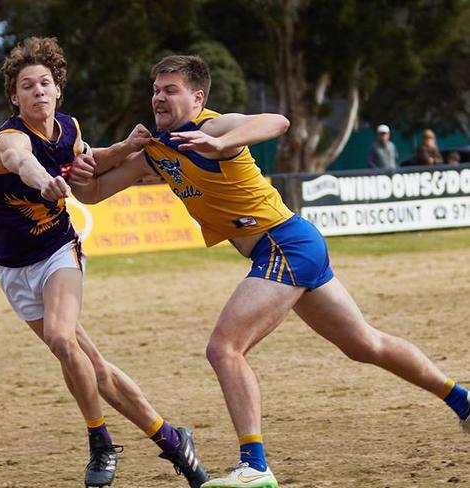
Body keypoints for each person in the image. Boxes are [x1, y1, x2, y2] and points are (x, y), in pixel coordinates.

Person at [68, 54, 470, 488]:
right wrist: (112, 155)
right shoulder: (155, 150)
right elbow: (93, 194)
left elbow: (276, 121)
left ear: (197, 97)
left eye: (171, 89)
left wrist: (224, 144)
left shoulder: (211, 128)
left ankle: (254, 465)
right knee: (365, 343)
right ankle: (464, 402)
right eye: (156, 90)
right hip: (288, 247)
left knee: (224, 348)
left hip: (285, 242)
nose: (159, 97)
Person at [0, 37, 208, 488]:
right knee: (94, 367)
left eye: (45, 82)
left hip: (57, 252)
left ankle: (100, 441)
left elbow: (89, 160)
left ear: (58, 90)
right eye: (27, 86)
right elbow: (20, 161)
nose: (38, 91)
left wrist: (126, 147)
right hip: (12, 268)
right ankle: (172, 439)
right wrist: (44, 180)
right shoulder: (8, 139)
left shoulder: (68, 128)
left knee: (63, 340)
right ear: (15, 97)